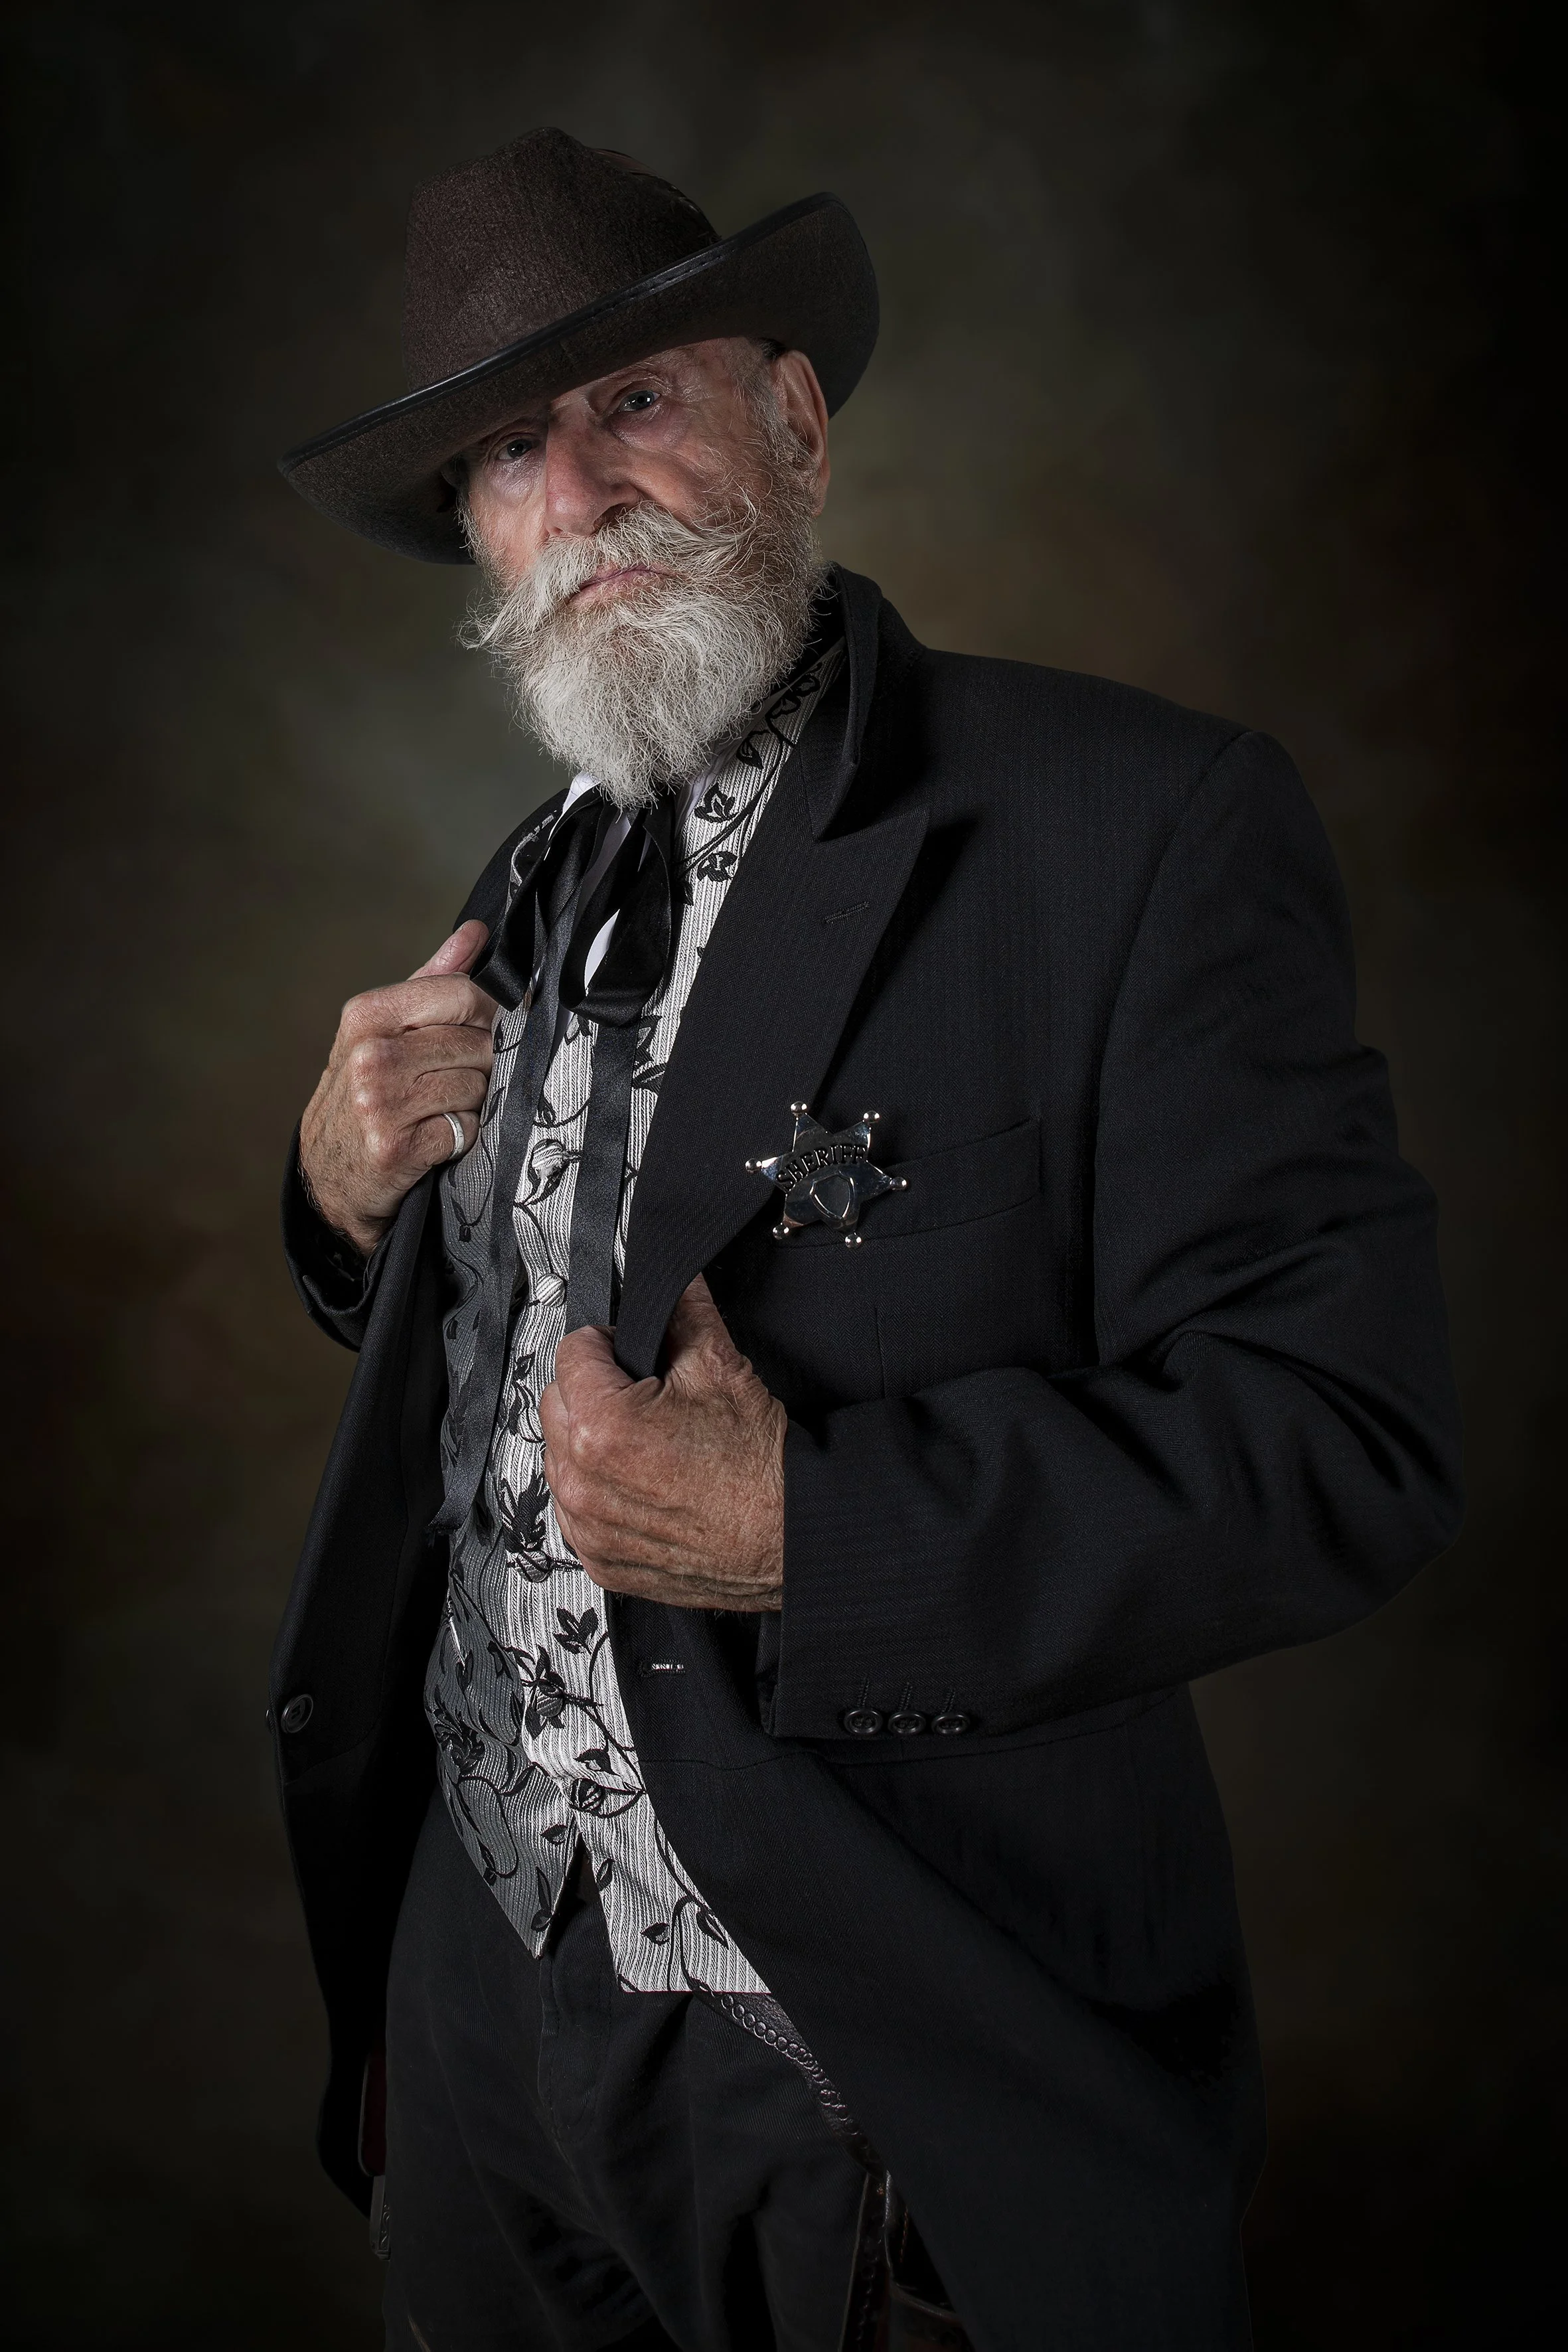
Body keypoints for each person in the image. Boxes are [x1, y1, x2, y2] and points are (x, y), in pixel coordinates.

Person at [273, 126, 1462, 2352]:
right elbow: (501, 1318)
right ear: (476, 537)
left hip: (865, 2058)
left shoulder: (1134, 830)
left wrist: (817, 1527)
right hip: (477, 2028)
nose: (587, 494)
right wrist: (341, 1201)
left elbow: (1347, 1436)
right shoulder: (536, 866)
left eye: (638, 399)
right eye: (515, 452)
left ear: (795, 418)